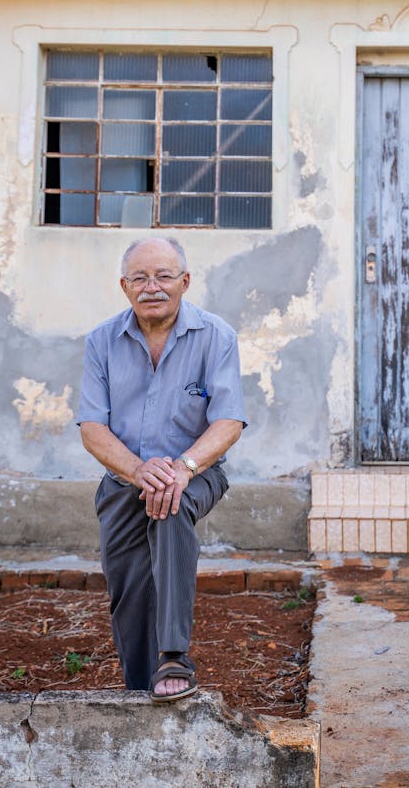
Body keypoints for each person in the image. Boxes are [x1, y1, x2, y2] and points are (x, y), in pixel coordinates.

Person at [77, 237, 245, 702]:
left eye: (164, 276)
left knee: (170, 508)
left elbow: (229, 421)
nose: (152, 287)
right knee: (128, 591)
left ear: (185, 282)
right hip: (123, 477)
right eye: (140, 278)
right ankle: (138, 691)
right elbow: (92, 428)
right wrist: (137, 470)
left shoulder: (216, 336)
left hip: (197, 470)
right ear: (124, 286)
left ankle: (173, 655)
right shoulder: (101, 341)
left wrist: (183, 468)